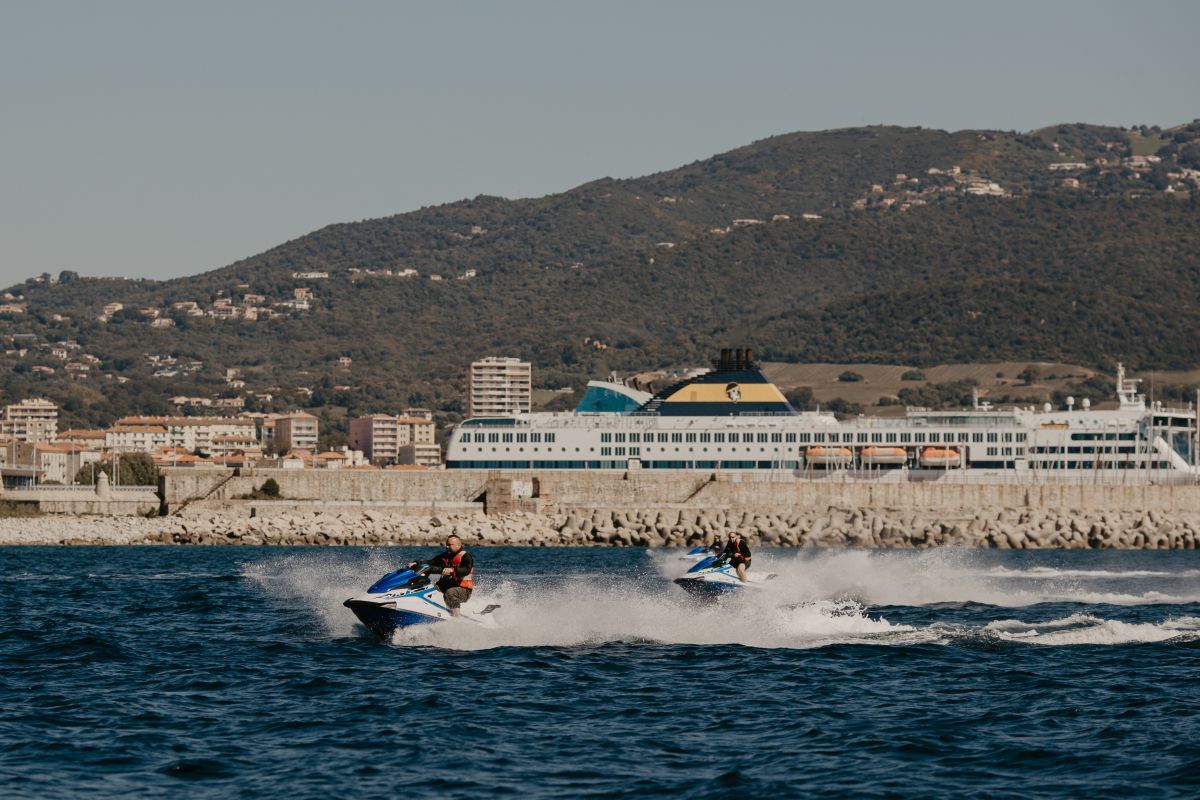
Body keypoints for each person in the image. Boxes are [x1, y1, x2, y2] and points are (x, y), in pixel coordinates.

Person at [408, 534, 474, 616]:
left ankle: (457, 619)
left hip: (463, 590)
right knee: (427, 589)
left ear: (458, 545)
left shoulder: (466, 557)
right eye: (446, 544)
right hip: (446, 586)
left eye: (450, 545)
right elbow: (430, 562)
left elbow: (466, 570)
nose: (447, 547)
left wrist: (452, 570)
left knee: (450, 593)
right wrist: (416, 563)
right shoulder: (444, 556)